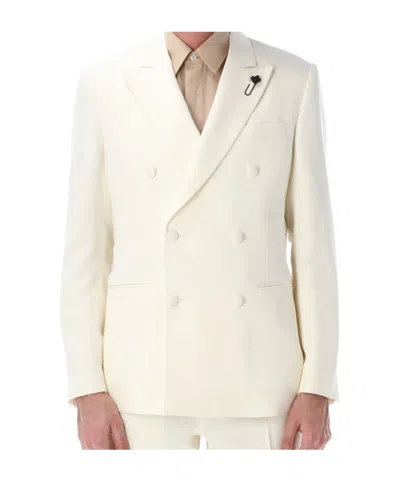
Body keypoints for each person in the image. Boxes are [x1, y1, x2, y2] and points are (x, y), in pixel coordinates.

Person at [60, 31, 339, 450]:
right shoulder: (104, 83)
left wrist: (317, 384)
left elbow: (315, 248)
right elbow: (86, 250)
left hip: (261, 379)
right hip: (142, 379)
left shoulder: (292, 78)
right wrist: (86, 385)